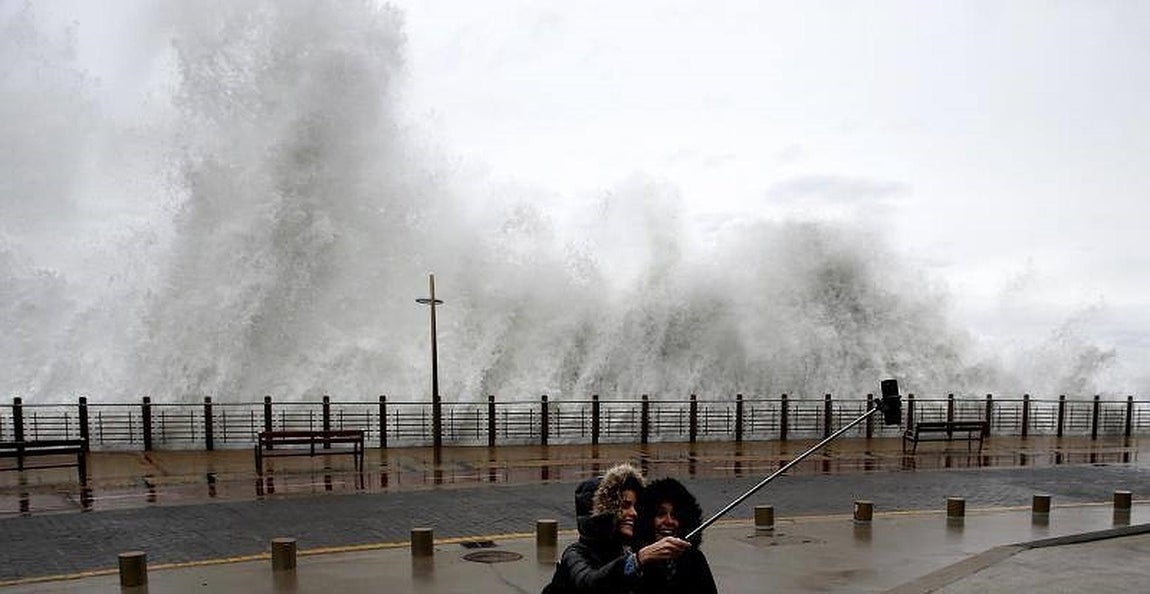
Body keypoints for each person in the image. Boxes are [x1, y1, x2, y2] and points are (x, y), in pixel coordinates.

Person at [544, 464, 690, 593]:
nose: (634, 513)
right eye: (625, 505)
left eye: (634, 506)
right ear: (604, 513)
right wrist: (638, 560)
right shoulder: (574, 554)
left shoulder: (625, 550)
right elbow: (590, 583)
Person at [635, 477, 718, 594]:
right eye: (661, 514)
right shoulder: (636, 560)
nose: (669, 521)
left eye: (675, 515)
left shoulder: (695, 559)